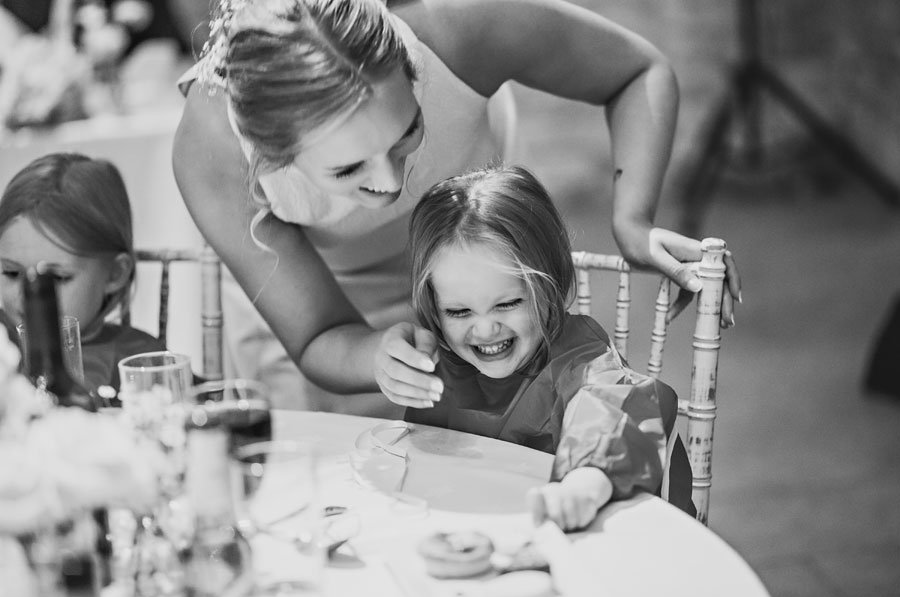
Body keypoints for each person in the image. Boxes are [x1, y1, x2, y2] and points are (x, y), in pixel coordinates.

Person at [172, 0, 741, 415]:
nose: (392, 182)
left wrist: (632, 217)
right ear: (271, 157)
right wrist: (376, 355)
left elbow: (637, 70)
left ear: (413, 70)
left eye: (408, 130)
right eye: (347, 170)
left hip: (481, 265)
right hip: (327, 306)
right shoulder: (213, 149)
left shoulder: (461, 28)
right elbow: (317, 336)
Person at [405, 164, 693, 528]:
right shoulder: (443, 362)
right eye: (459, 311)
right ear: (434, 305)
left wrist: (584, 486)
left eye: (507, 303)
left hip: (569, 541)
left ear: (549, 286)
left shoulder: (579, 360)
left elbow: (617, 411)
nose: (485, 328)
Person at [0, 152, 167, 396]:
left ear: (114, 274)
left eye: (56, 278)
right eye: (11, 273)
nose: (30, 295)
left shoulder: (140, 362)